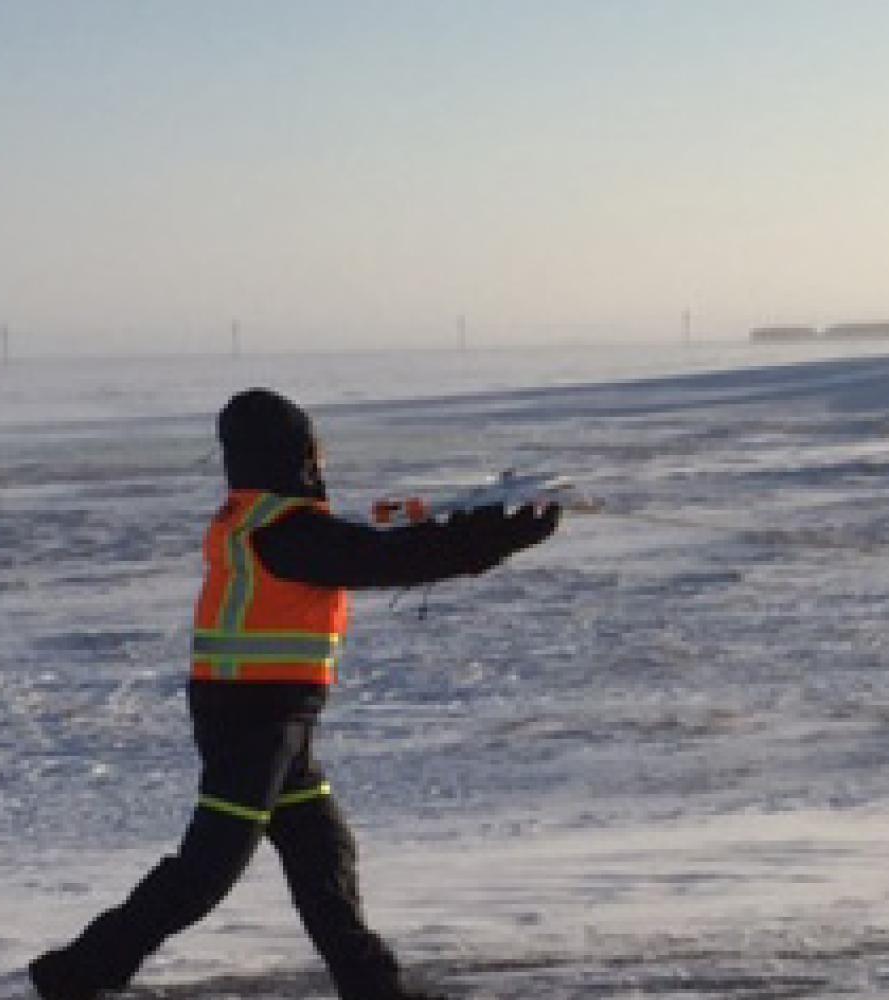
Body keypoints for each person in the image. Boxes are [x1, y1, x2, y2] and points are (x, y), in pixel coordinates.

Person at [29, 388, 561, 1000]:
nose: (322, 460)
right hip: (254, 723)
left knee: (323, 855)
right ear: (293, 454)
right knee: (208, 871)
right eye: (312, 449)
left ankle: (373, 988)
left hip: (273, 717)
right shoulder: (282, 531)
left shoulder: (268, 520)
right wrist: (493, 540)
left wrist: (477, 530)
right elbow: (382, 559)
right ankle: (77, 974)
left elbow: (380, 546)